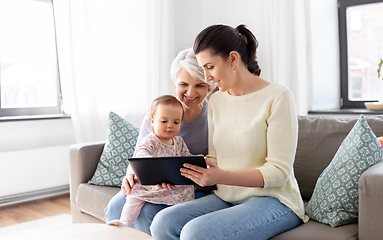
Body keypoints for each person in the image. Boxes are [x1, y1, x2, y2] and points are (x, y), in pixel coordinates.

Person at [150, 24, 309, 240]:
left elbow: (279, 172)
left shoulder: (278, 97)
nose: (206, 78)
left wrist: (221, 176)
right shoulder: (215, 100)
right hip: (225, 195)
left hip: (274, 200)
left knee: (194, 233)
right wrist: (181, 176)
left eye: (210, 67)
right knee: (162, 222)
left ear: (233, 59)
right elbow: (215, 159)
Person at [104, 48, 216, 235]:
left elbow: (215, 166)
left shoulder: (214, 116)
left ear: (209, 86)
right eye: (183, 84)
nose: (190, 92)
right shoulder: (159, 111)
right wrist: (130, 175)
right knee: (116, 206)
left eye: (200, 85)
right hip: (150, 184)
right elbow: (140, 152)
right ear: (174, 83)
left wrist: (184, 181)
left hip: (189, 186)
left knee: (149, 214)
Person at [108, 95, 195, 228]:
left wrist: (196, 160)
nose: (170, 126)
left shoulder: (179, 142)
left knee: (185, 194)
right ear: (152, 121)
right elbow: (141, 152)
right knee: (134, 195)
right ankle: (126, 222)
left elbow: (187, 158)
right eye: (164, 121)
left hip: (174, 185)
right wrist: (151, 161)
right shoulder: (151, 140)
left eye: (176, 122)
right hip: (154, 184)